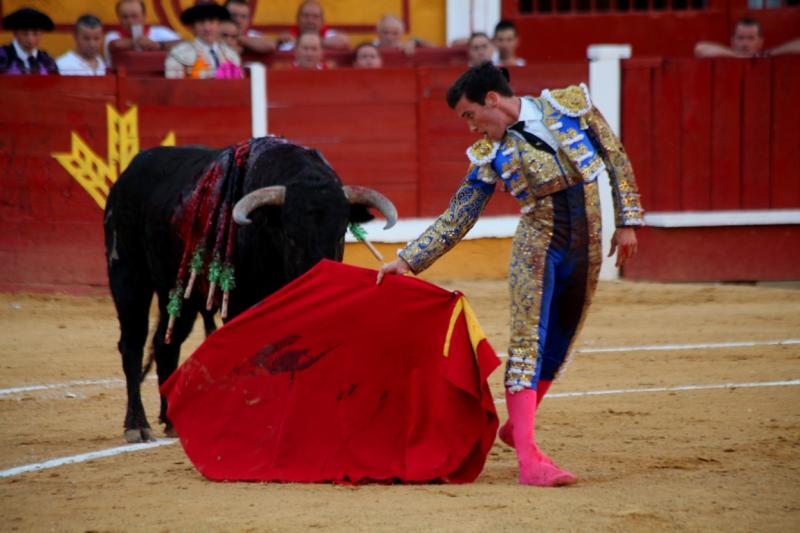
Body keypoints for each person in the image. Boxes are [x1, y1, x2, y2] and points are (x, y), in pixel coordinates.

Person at [377, 63, 644, 487]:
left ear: (492, 100)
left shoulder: (570, 106)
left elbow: (615, 157)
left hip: (588, 246)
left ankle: (519, 427)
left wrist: (628, 221)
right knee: (528, 343)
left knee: (561, 341)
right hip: (538, 247)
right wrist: (410, 260)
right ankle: (529, 460)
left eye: (469, 116)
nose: (470, 129)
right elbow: (460, 212)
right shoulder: (490, 155)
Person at [165, 2, 242, 79]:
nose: (207, 28)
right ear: (192, 28)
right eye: (201, 23)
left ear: (219, 25)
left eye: (212, 22)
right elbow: (174, 85)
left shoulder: (231, 55)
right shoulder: (179, 54)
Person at [105, 0, 180, 66]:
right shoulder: (112, 36)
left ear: (144, 16)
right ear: (119, 18)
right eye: (125, 17)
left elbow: (184, 45)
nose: (130, 21)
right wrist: (136, 42)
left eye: (134, 16)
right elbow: (115, 45)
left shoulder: (160, 32)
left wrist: (158, 45)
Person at [695, 17, 800, 57]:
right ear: (733, 41)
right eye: (740, 38)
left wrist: (770, 54)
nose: (745, 43)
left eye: (750, 38)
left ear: (760, 42)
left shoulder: (765, 56)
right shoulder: (728, 57)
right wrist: (736, 56)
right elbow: (700, 48)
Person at [0, 7, 58, 75]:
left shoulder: (47, 61)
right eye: (24, 33)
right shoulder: (2, 57)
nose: (30, 39)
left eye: (35, 34)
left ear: (41, 34)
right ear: (15, 33)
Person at [278, 0, 349, 51]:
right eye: (305, 16)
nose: (310, 21)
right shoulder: (288, 37)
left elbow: (344, 41)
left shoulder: (329, 35)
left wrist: (303, 42)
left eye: (315, 17)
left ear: (322, 21)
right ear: (297, 19)